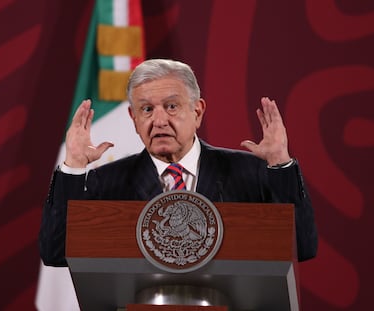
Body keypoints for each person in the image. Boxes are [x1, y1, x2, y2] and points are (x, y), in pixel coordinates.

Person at [39, 59, 318, 266]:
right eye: (146, 109)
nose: (159, 120)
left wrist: (281, 164)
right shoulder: (107, 182)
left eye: (171, 106)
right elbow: (55, 253)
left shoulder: (249, 172)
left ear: (197, 111)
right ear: (133, 119)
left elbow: (301, 245)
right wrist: (74, 168)